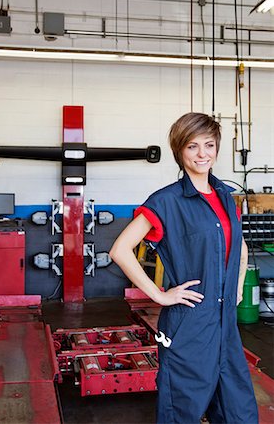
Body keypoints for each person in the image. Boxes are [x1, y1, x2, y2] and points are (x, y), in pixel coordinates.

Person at [109, 113, 258, 424]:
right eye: (192, 146)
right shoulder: (166, 202)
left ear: (217, 149)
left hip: (224, 325)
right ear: (180, 151)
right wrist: (160, 296)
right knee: (181, 413)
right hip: (188, 326)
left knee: (238, 411)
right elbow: (120, 250)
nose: (202, 154)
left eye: (209, 145)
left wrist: (237, 291)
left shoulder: (226, 197)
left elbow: (240, 246)